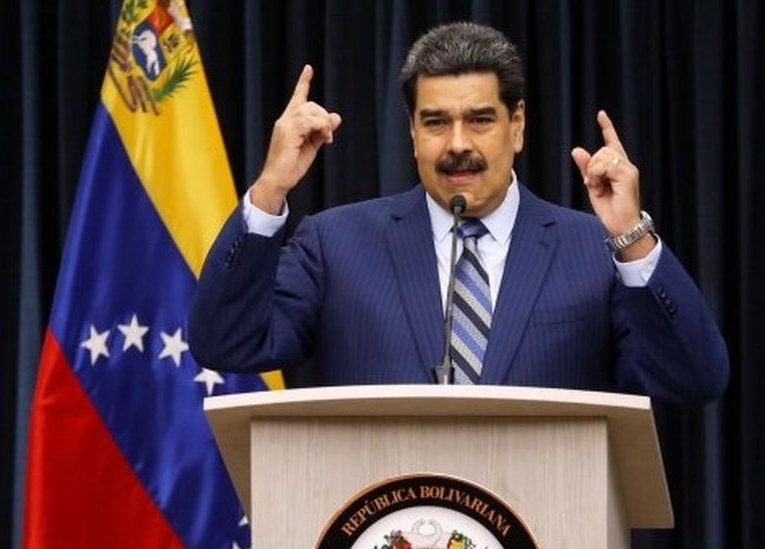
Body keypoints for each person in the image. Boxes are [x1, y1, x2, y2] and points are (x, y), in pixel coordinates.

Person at [189, 22, 728, 404]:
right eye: (435, 122)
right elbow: (227, 342)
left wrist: (632, 243)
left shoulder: (592, 249)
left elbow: (695, 379)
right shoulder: (337, 243)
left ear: (517, 125)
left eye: (480, 120)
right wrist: (268, 190)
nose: (458, 144)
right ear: (412, 131)